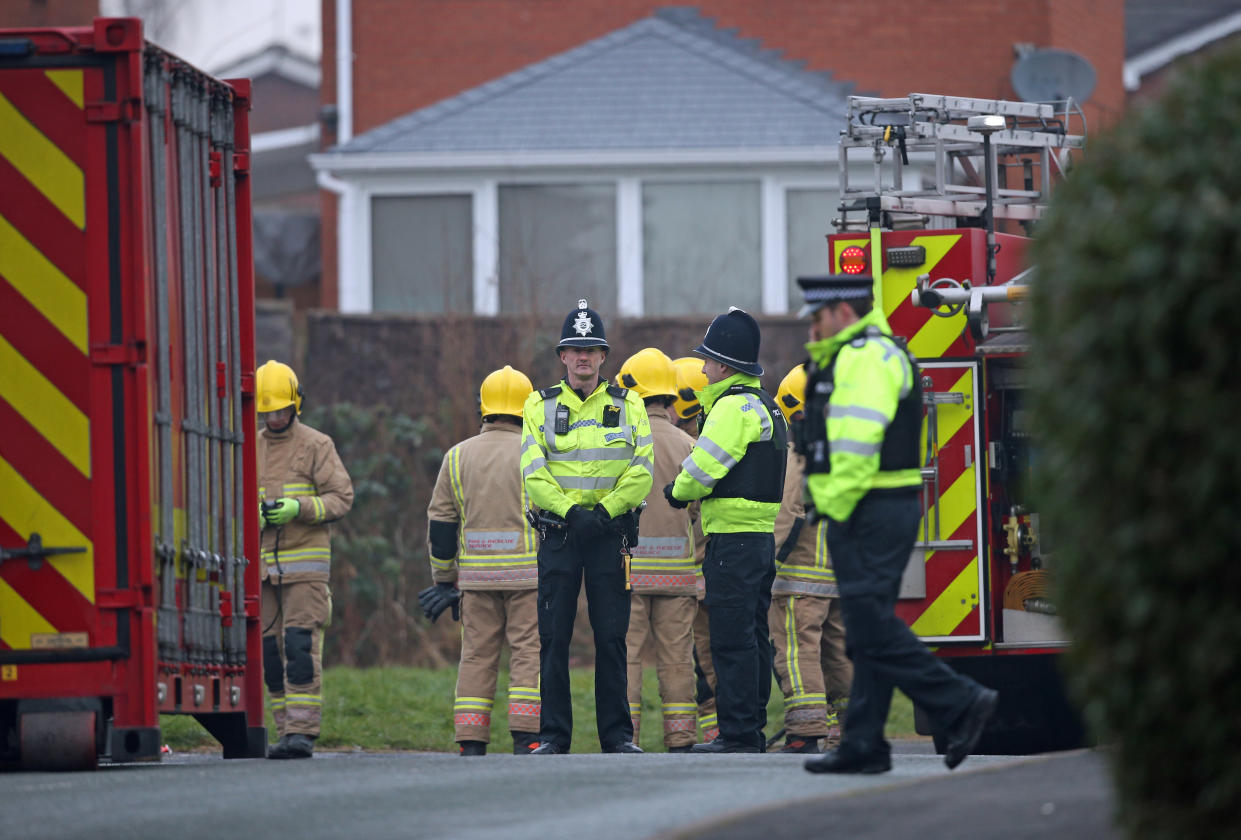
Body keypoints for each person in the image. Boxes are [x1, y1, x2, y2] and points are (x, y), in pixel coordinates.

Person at [795, 275, 998, 775]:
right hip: (869, 505)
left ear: (844, 312)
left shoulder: (867, 356)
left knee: (870, 625)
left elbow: (857, 446)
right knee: (867, 631)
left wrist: (833, 505)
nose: (813, 328)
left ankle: (961, 699)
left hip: (868, 507)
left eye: (818, 317)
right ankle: (865, 743)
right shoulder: (856, 354)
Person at [519, 299, 654, 754]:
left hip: (608, 537)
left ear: (603, 356)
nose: (582, 357)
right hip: (558, 534)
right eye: (574, 349)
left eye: (591, 349)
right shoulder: (537, 406)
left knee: (612, 636)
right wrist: (571, 511)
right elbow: (533, 470)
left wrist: (606, 512)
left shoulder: (629, 404)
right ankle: (554, 736)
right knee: (553, 637)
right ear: (562, 355)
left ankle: (617, 736)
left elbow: (642, 469)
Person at [665, 308, 787, 754]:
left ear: (724, 365)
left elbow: (701, 469)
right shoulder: (766, 404)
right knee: (753, 638)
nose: (701, 368)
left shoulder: (731, 408)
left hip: (730, 544)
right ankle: (750, 728)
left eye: (708, 360)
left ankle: (736, 735)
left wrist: (676, 491)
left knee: (731, 642)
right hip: (759, 542)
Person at [423, 366, 542, 756]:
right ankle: (527, 737)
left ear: (483, 408)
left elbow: (441, 525)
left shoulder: (456, 458)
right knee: (527, 652)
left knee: (476, 653)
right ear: (527, 407)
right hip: (528, 578)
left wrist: (444, 578)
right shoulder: (535, 453)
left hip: (474, 580)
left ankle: (471, 740)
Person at [255, 360, 354, 760]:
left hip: (304, 570)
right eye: (267, 412)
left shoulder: (316, 445)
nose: (274, 418)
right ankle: (283, 731)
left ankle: (302, 733)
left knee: (299, 648)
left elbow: (341, 497)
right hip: (261, 570)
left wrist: (298, 508)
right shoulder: (250, 445)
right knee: (268, 654)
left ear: (296, 405)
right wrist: (254, 514)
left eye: (281, 410)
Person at [615, 348, 699, 752]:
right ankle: (681, 739)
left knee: (626, 655)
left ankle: (624, 738)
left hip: (627, 570)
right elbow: (699, 511)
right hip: (680, 573)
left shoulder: (619, 442)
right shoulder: (688, 445)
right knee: (678, 658)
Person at [768, 364, 852, 754]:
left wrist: (766, 561)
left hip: (798, 578)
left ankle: (806, 730)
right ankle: (853, 723)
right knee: (838, 653)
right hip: (839, 576)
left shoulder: (799, 455)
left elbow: (787, 511)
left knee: (798, 650)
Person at [672, 355, 719, 744]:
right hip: (708, 570)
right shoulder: (710, 442)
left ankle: (713, 734)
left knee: (704, 663)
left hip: (697, 573)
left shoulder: (693, 448)